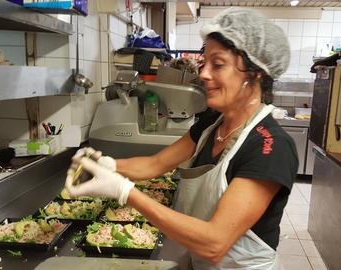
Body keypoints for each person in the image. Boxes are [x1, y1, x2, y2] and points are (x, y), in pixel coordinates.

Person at [65, 8, 298, 270]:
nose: (204, 74)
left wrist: (124, 191)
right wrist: (105, 165)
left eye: (218, 64)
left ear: (255, 74)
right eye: (204, 62)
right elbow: (155, 164)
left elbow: (215, 243)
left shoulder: (270, 147)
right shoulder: (211, 125)